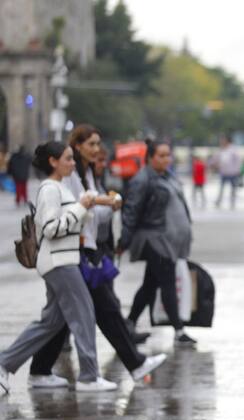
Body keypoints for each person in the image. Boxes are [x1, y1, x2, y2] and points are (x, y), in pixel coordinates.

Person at [28, 126, 165, 386]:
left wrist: (107, 205)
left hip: (85, 249)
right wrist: (103, 204)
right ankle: (106, 372)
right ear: (77, 146)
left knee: (60, 318)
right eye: (91, 144)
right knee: (101, 309)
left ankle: (39, 369)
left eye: (98, 143)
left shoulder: (87, 172)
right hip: (76, 252)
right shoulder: (66, 176)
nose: (96, 149)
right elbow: (74, 211)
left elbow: (86, 208)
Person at [0, 142, 117, 393]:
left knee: (51, 322)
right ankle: (89, 376)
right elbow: (51, 228)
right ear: (53, 162)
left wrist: (85, 207)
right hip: (59, 262)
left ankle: (5, 363)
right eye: (68, 159)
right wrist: (80, 207)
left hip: (61, 261)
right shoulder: (50, 189)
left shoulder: (58, 188)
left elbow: (66, 223)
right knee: (84, 313)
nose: (73, 164)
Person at [120, 139, 197, 346]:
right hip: (154, 239)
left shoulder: (167, 176)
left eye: (168, 155)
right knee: (167, 283)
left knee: (150, 285)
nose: (166, 159)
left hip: (167, 241)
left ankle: (129, 323)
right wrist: (124, 240)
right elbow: (131, 211)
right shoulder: (142, 180)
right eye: (161, 156)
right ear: (150, 158)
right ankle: (179, 331)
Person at [214, 135, 242, 209]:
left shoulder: (233, 149)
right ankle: (219, 201)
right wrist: (216, 164)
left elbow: (238, 160)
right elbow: (216, 159)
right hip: (223, 172)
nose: (221, 141)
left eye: (223, 140)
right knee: (221, 188)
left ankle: (232, 201)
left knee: (233, 188)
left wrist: (237, 170)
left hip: (232, 172)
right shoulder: (221, 149)